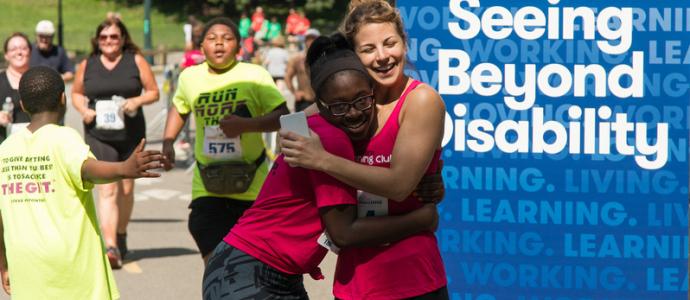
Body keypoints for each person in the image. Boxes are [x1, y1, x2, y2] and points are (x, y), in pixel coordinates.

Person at [202, 33, 439, 300]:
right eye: (339, 106)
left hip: (256, 267)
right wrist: (421, 219)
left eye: (361, 100)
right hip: (253, 272)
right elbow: (344, 233)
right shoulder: (330, 140)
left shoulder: (320, 129)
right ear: (320, 106)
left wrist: (430, 177)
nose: (352, 112)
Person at [279, 1, 448, 298]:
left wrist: (323, 160)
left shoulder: (421, 100)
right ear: (353, 57)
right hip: (353, 281)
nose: (383, 57)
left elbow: (398, 186)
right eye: (368, 49)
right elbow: (290, 125)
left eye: (390, 43)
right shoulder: (353, 103)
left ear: (404, 44)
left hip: (413, 279)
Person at [0, 66, 163, 299]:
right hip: (72, 270)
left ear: (23, 105)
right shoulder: (63, 138)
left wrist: (4, 263)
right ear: (63, 99)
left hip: (25, 264)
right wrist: (123, 168)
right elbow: (87, 169)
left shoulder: (6, 149)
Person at [161, 17, 289, 265]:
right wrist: (168, 141)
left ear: (238, 47)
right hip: (207, 185)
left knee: (250, 264)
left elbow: (282, 115)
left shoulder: (255, 75)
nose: (219, 44)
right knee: (215, 261)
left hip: (252, 186)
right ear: (201, 48)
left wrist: (246, 126)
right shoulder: (190, 77)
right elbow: (180, 108)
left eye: (227, 38)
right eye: (212, 39)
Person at [72, 17, 160, 268]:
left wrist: (136, 101)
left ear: (122, 39)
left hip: (130, 134)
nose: (109, 41)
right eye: (104, 37)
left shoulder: (136, 61)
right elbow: (77, 93)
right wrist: (83, 110)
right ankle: (110, 246)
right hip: (99, 134)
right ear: (97, 41)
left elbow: (154, 92)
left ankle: (121, 234)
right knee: (108, 189)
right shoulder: (88, 64)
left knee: (127, 190)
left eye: (114, 37)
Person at [0, 33, 32, 144]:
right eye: (13, 49)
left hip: (36, 148)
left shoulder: (40, 80)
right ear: (6, 55)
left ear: (30, 52)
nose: (19, 52)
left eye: (23, 48)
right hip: (4, 147)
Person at [285, 28, 319, 112]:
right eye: (308, 39)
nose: (311, 42)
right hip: (304, 101)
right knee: (302, 125)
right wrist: (295, 92)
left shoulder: (325, 58)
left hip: (322, 101)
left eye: (313, 39)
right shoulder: (297, 59)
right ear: (305, 41)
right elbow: (287, 77)